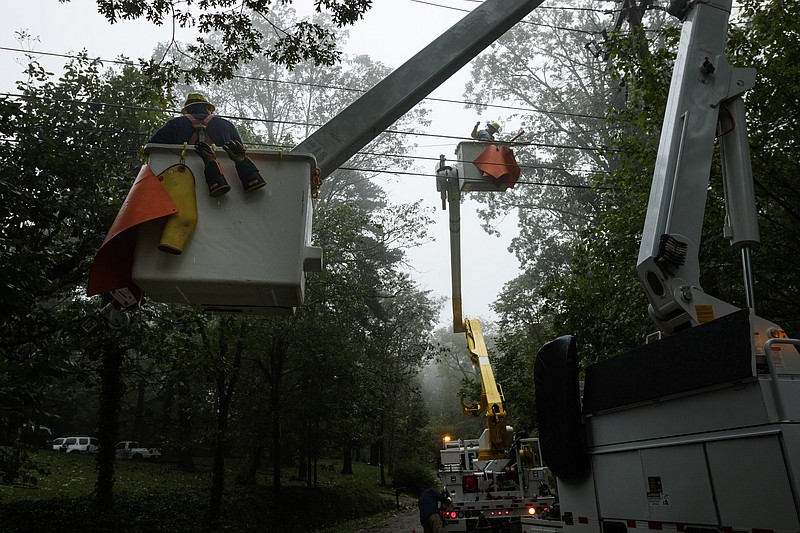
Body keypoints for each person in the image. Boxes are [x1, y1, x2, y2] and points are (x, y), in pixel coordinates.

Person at [149, 92, 265, 197]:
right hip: (227, 180)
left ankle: (212, 166)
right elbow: (240, 148)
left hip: (182, 178)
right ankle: (250, 178)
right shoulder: (226, 125)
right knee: (240, 156)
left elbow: (151, 147)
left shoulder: (174, 124)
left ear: (187, 111)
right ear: (207, 108)